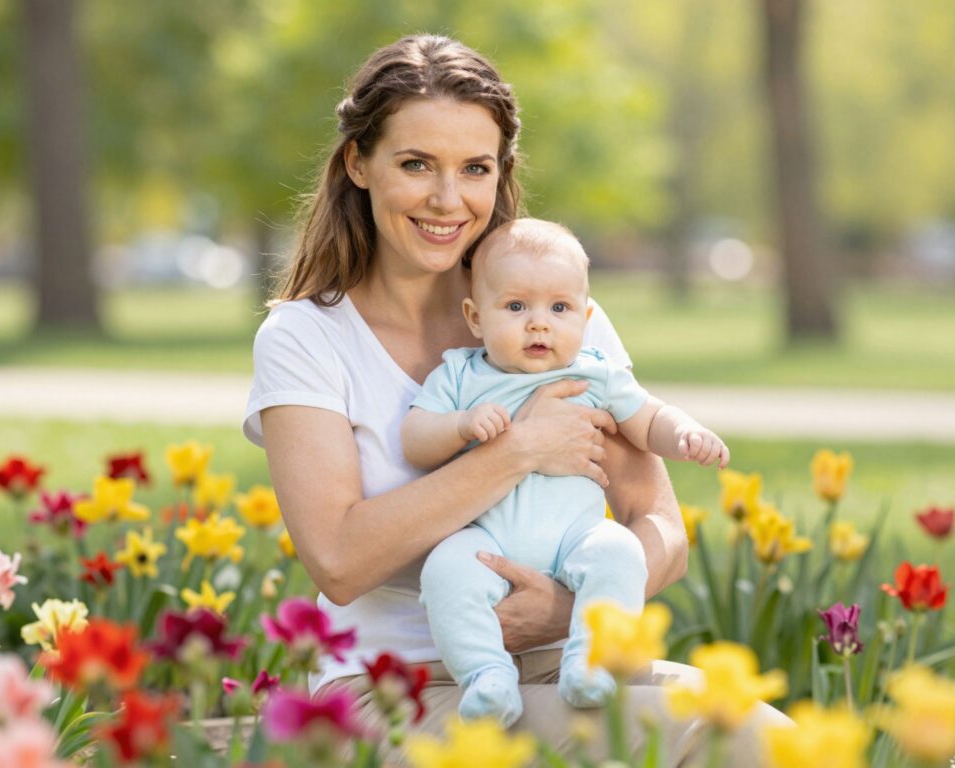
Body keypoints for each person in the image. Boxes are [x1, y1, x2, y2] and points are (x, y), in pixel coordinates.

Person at [243, 34, 787, 766]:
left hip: (568, 667)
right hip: (388, 691)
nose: (448, 199)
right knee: (740, 741)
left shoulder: (551, 313)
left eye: (475, 168)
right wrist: (519, 449)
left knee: (776, 739)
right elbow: (339, 559)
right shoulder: (305, 338)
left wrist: (565, 613)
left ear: (502, 173)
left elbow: (658, 524)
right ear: (358, 163)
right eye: (415, 165)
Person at [403, 218, 729, 727]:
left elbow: (646, 418)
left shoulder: (593, 372)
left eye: (559, 308)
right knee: (445, 570)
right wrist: (460, 425)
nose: (539, 324)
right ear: (474, 316)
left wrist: (684, 432)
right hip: (484, 539)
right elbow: (415, 437)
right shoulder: (462, 375)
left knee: (619, 551)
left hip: (575, 536)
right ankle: (487, 677)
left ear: (586, 315)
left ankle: (589, 662)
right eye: (515, 307)